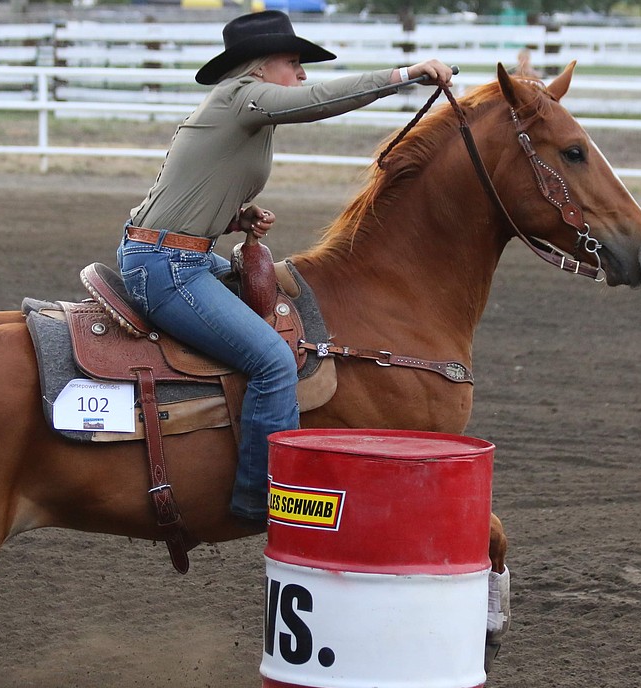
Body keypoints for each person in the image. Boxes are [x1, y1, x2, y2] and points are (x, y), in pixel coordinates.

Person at [118, 10, 453, 528]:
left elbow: (184, 189)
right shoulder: (240, 98)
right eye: (293, 63)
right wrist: (403, 76)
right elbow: (318, 101)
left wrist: (233, 216)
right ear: (257, 68)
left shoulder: (240, 111)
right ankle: (263, 501)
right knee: (274, 361)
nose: (301, 74)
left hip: (172, 251)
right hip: (167, 265)